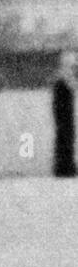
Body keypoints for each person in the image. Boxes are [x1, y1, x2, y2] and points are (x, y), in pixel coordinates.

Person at [52, 50, 76, 178]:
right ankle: (64, 167)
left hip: (64, 112)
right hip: (64, 113)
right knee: (65, 137)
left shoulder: (62, 77)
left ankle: (65, 166)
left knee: (66, 136)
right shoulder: (64, 77)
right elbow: (72, 86)